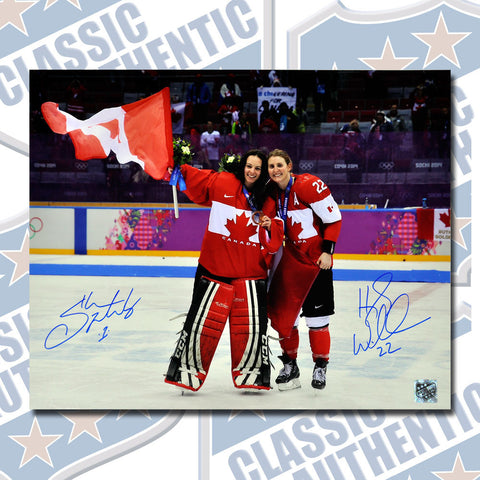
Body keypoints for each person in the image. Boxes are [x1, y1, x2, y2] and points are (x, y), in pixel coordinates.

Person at [165, 150, 284, 392]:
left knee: (250, 329)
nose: (252, 171)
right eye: (248, 166)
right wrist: (176, 167)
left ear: (263, 173)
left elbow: (273, 242)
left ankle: (252, 376)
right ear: (242, 166)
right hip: (213, 268)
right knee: (199, 325)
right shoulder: (224, 182)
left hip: (250, 273)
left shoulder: (269, 199)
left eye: (257, 168)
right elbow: (199, 181)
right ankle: (185, 371)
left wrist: (271, 226)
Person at [266, 149, 342, 390]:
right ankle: (290, 364)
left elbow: (334, 219)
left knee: (317, 319)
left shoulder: (308, 185)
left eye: (279, 164)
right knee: (284, 319)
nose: (275, 170)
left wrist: (327, 252)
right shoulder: (269, 191)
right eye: (271, 166)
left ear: (289, 165)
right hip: (287, 262)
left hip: (315, 262)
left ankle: (320, 365)